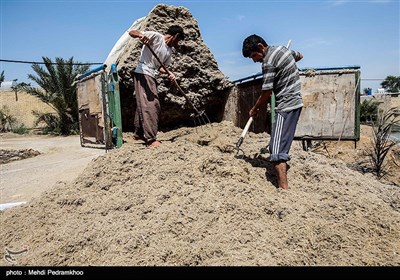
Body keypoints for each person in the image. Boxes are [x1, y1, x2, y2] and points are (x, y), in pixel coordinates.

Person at [242, 34, 303, 190]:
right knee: (279, 145)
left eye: (254, 55)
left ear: (261, 47)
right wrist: (286, 66)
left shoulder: (268, 63)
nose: (254, 60)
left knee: (275, 151)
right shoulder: (282, 50)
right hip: (296, 103)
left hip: (286, 105)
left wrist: (255, 108)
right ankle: (283, 176)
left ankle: (284, 188)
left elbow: (267, 92)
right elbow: (299, 55)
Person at [128, 25, 185, 148]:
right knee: (151, 104)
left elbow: (160, 68)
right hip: (143, 72)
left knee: (144, 103)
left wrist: (169, 73)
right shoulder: (156, 37)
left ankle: (138, 133)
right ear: (175, 36)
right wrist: (141, 35)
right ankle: (150, 139)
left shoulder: (169, 51)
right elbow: (132, 32)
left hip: (151, 74)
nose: (178, 44)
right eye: (179, 40)